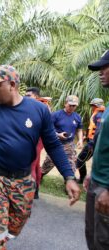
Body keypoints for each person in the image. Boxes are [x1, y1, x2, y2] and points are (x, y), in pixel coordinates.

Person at [0, 65, 80, 249]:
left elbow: (53, 145)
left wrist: (69, 176)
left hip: (23, 179)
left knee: (16, 225)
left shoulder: (39, 110)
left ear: (12, 85)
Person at [84, 50, 109, 250]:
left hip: (106, 189)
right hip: (96, 183)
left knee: (103, 242)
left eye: (105, 67)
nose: (101, 72)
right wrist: (92, 174)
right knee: (92, 237)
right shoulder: (107, 107)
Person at [41, 95, 84, 177]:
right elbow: (47, 128)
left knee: (71, 165)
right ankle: (40, 175)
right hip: (56, 143)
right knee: (49, 163)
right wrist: (58, 134)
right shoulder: (56, 115)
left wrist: (80, 140)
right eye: (70, 105)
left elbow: (79, 129)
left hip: (69, 144)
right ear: (65, 103)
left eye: (74, 106)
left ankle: (69, 181)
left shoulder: (77, 117)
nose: (72, 107)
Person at [76, 98, 105, 184]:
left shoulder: (99, 115)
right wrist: (86, 137)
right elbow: (93, 128)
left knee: (80, 159)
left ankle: (83, 179)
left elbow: (98, 131)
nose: (91, 107)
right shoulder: (100, 114)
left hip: (93, 144)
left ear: (95, 106)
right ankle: (84, 179)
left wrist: (92, 144)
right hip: (94, 142)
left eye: (92, 105)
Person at [24, 87, 46, 199]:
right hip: (35, 140)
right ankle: (36, 190)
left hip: (36, 140)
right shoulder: (36, 107)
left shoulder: (41, 108)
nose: (25, 97)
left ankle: (30, 193)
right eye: (25, 95)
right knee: (36, 165)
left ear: (36, 97)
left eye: (29, 95)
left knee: (31, 166)